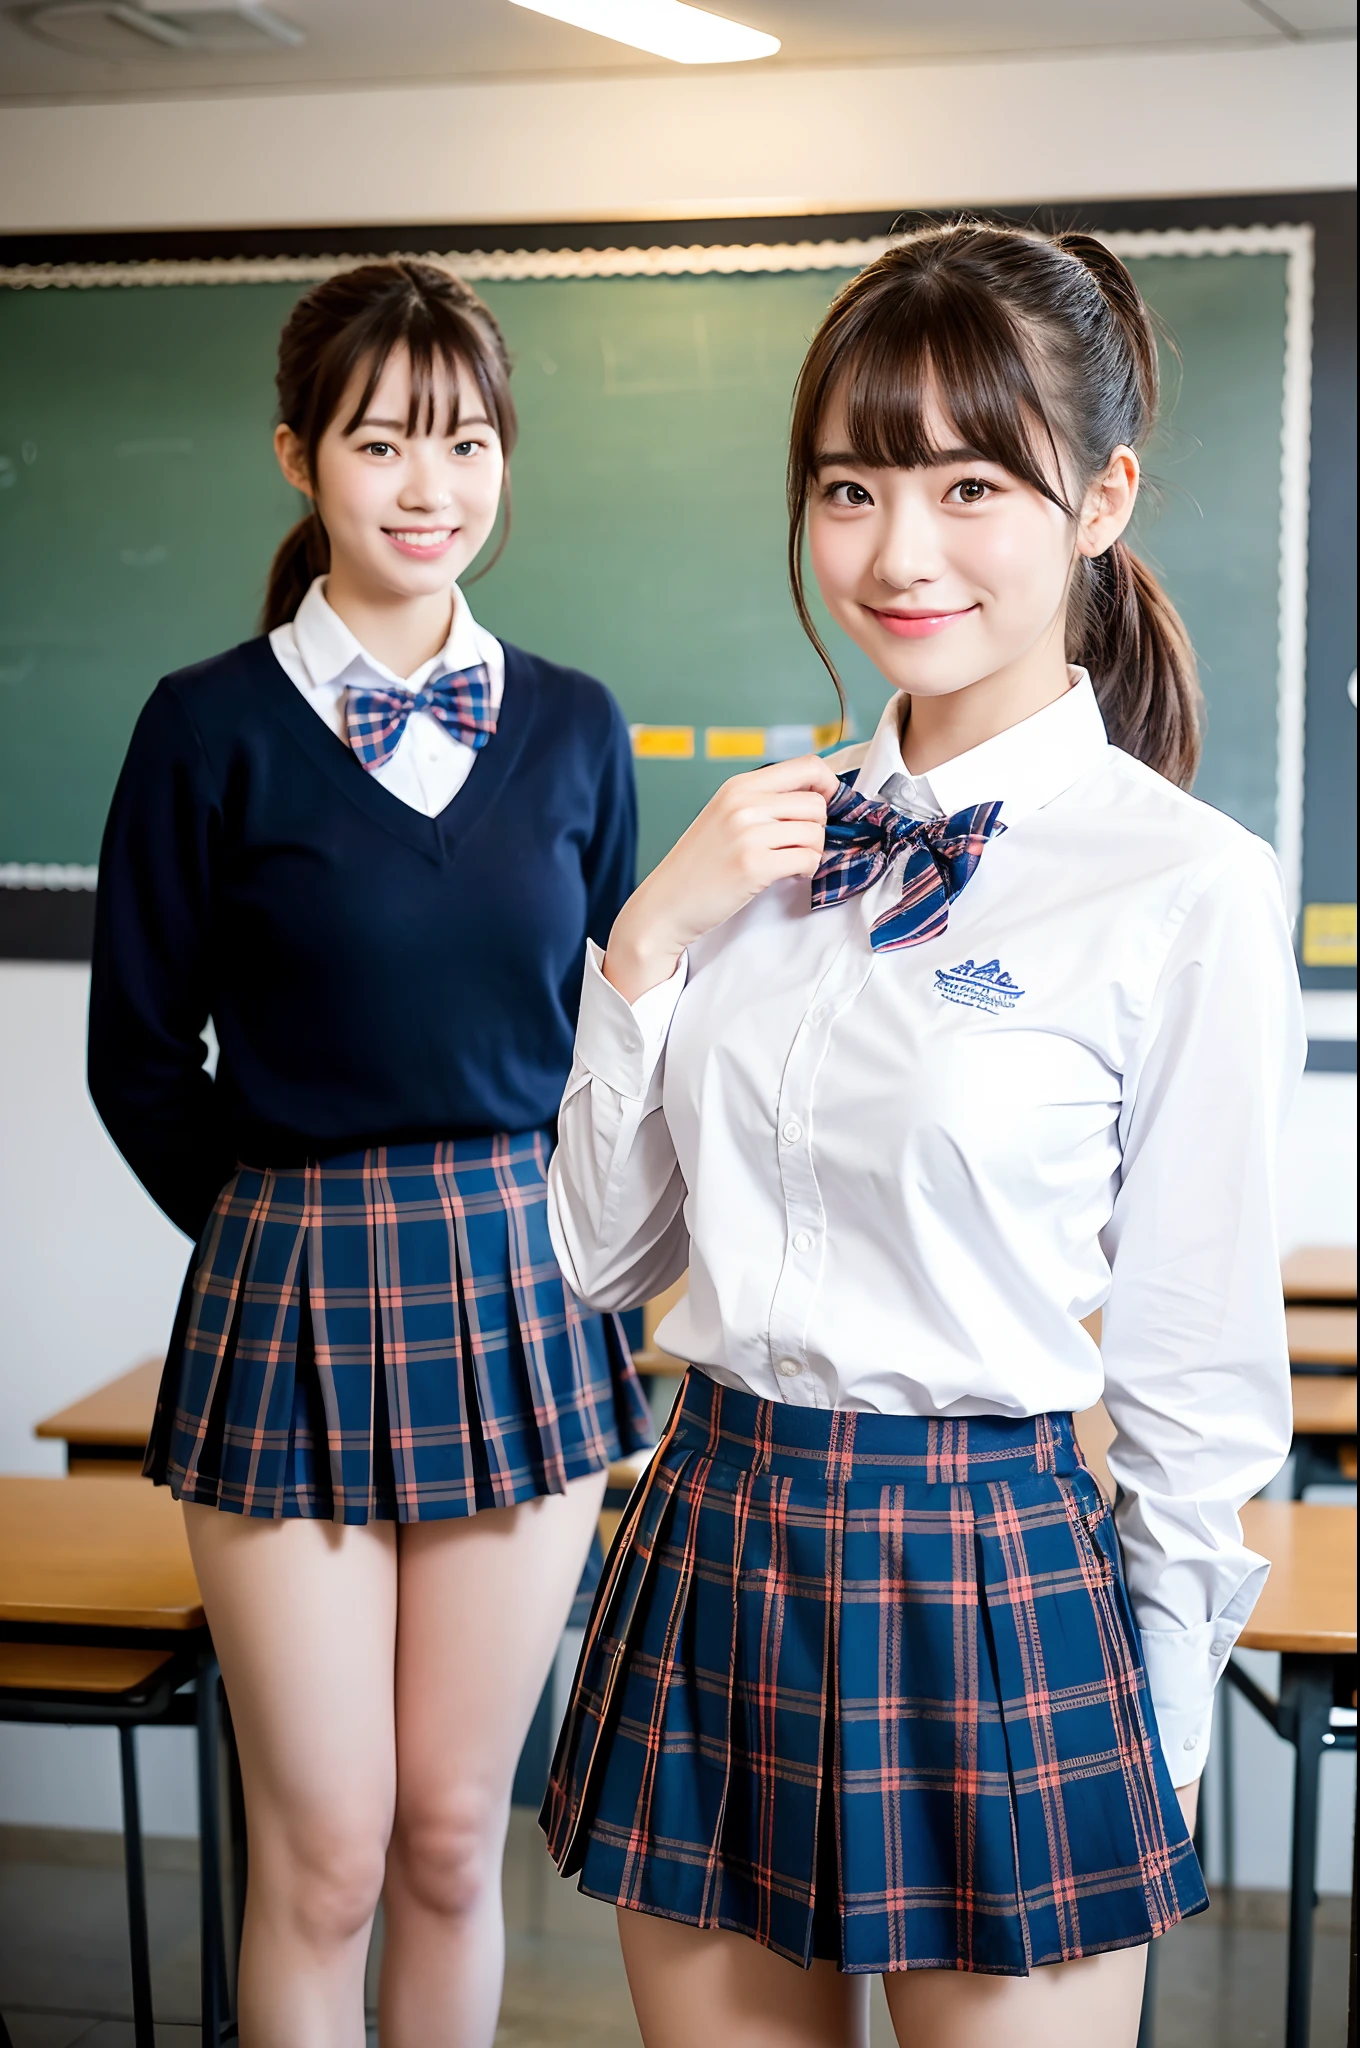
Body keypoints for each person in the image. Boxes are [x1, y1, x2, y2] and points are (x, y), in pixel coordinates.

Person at [540, 223, 1304, 2048]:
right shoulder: (757, 847)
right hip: (715, 1534)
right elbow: (592, 1257)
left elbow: (1201, 1382)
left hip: (998, 1580)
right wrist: (646, 946)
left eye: (972, 483)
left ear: (1100, 499)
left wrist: (1156, 1735)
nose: (899, 552)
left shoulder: (1185, 887)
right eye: (850, 487)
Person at [87, 257, 652, 2048]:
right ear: (298, 457)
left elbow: (624, 1043)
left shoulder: (573, 722)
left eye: (469, 441)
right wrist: (275, 1226)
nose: (432, 485)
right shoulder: (207, 727)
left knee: (453, 1836)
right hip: (291, 1296)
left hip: (520, 1292)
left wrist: (548, 1235)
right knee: (323, 1852)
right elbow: (135, 1061)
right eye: (384, 441)